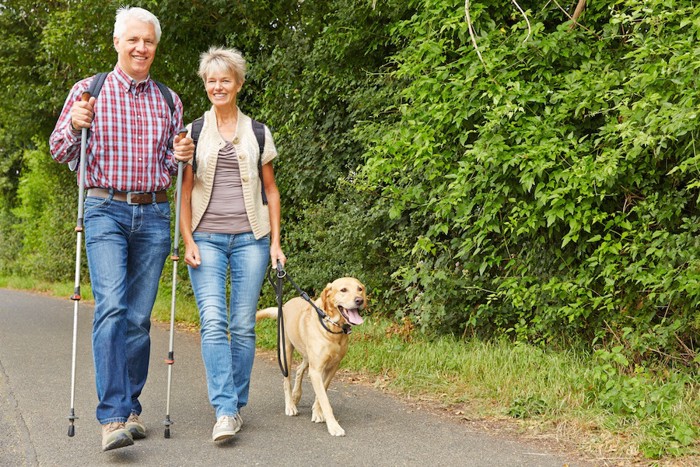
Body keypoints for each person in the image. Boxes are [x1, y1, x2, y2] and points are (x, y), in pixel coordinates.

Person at [49, 6, 194, 452]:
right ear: (117, 42)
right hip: (103, 210)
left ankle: (131, 408)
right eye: (133, 39)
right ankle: (112, 418)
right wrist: (75, 125)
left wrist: (184, 153)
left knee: (137, 319)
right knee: (111, 307)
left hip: (153, 214)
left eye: (148, 41)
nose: (141, 48)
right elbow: (58, 149)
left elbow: (171, 167)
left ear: (155, 47)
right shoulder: (87, 91)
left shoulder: (170, 100)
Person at [180, 46, 286, 442]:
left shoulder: (258, 131)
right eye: (211, 80)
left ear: (238, 84)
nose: (218, 86)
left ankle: (235, 404)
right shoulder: (192, 132)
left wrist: (275, 242)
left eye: (225, 79)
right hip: (205, 238)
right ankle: (225, 409)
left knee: (242, 326)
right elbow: (185, 192)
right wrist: (187, 238)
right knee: (212, 321)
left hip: (251, 240)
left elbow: (271, 191)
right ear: (205, 85)